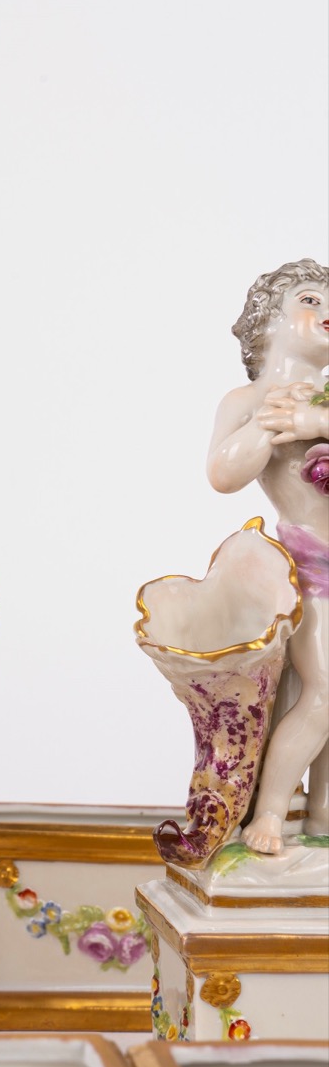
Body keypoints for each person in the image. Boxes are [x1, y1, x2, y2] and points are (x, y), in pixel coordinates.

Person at [207, 258, 329, 854]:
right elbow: (224, 474)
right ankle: (272, 811)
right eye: (311, 299)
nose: (327, 310)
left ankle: (322, 814)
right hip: (312, 566)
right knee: (323, 691)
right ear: (270, 320)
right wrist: (268, 422)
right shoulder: (246, 399)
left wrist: (313, 418)